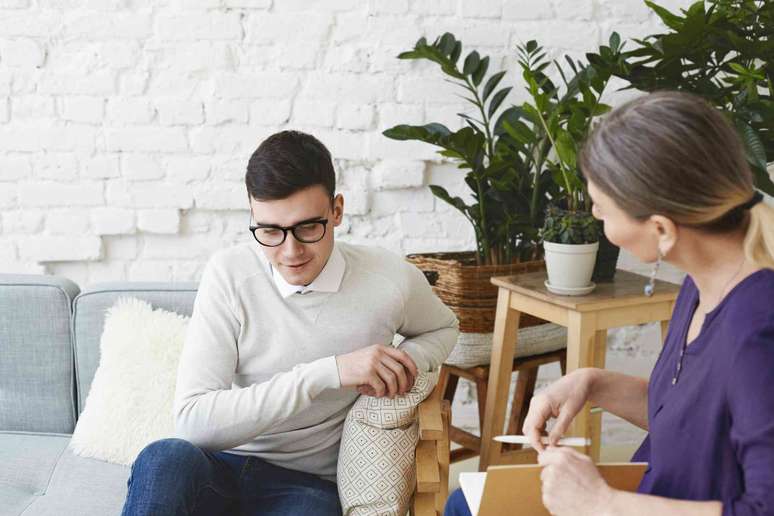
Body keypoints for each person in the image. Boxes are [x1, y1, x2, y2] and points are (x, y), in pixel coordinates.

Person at [445, 91, 774, 516]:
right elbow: (701, 428)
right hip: (646, 497)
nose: (596, 221)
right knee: (464, 504)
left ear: (661, 229)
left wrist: (603, 504)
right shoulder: (702, 284)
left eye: (602, 211)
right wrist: (594, 383)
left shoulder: (756, 330)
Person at [121, 130, 459, 516]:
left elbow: (444, 328)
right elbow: (193, 423)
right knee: (164, 457)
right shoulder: (229, 274)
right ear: (253, 217)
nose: (290, 251)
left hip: (305, 486)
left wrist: (401, 361)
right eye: (270, 231)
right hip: (218, 468)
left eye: (308, 228)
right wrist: (325, 373)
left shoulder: (389, 279)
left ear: (337, 211)